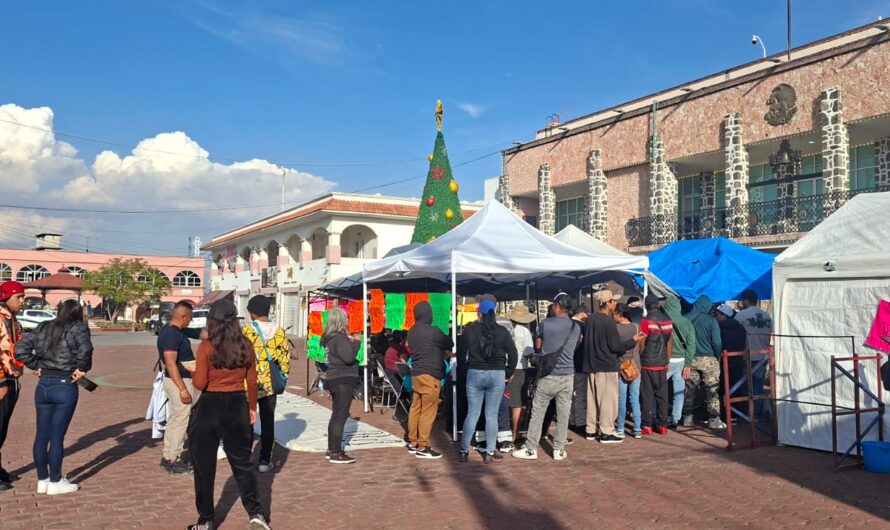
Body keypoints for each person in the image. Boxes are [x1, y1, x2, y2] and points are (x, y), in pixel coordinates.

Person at [187, 299, 270, 530]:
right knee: (242, 464)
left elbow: (200, 384)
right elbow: (251, 381)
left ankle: (206, 519)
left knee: (204, 467)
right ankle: (256, 513)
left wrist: (193, 371)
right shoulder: (245, 345)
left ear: (212, 320)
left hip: (209, 406)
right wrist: (251, 407)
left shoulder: (206, 347)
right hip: (237, 404)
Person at [14, 300, 93, 495]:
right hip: (65, 383)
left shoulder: (43, 326)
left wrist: (35, 364)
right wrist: (82, 368)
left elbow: (20, 349)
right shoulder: (78, 328)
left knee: (42, 435)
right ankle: (56, 480)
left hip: (44, 385)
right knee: (57, 437)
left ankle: (43, 479)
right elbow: (85, 349)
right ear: (77, 313)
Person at [512, 293, 580, 461]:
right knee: (563, 413)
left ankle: (531, 449)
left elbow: (538, 346)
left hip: (548, 375)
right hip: (568, 374)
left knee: (538, 411)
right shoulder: (576, 327)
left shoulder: (545, 323)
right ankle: (559, 449)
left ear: (557, 306)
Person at [458, 299, 517, 463]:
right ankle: (490, 452)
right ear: (494, 313)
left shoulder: (470, 330)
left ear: (479, 314)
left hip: (474, 372)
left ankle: (464, 450)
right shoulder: (502, 331)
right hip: (497, 374)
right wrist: (508, 372)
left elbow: (461, 354)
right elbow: (513, 354)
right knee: (491, 415)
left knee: (472, 413)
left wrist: (465, 370)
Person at [582, 291, 642, 443]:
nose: (615, 304)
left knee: (592, 400)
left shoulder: (590, 319)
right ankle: (606, 431)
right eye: (613, 301)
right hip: (606, 365)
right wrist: (633, 340)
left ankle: (590, 430)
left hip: (591, 364)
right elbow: (615, 346)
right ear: (608, 303)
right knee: (608, 401)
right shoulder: (608, 322)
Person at [242, 295, 291, 473]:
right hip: (270, 383)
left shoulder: (246, 331)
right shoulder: (279, 331)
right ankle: (264, 460)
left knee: (247, 421)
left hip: (249, 383)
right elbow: (285, 359)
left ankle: (245, 458)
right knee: (268, 421)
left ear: (252, 313)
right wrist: (283, 377)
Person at [156, 301, 204, 474]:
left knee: (176, 419)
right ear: (183, 316)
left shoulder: (177, 330)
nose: (191, 321)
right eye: (190, 317)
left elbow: (200, 333)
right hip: (179, 382)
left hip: (179, 380)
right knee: (180, 420)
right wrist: (183, 389)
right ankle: (172, 459)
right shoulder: (171, 335)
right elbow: (170, 364)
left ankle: (169, 455)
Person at [406, 301, 453, 459]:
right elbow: (450, 342)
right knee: (428, 410)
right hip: (430, 375)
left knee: (416, 407)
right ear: (428, 314)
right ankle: (423, 446)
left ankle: (413, 441)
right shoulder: (433, 331)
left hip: (416, 374)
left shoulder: (411, 331)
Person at [321, 308, 360, 464]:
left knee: (337, 414)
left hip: (335, 378)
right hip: (342, 379)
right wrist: (356, 342)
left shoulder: (329, 339)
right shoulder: (339, 339)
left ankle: (332, 448)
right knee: (340, 416)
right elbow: (349, 357)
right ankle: (336, 451)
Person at [683, 295, 726, 429]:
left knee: (689, 389)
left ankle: (687, 418)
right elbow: (717, 342)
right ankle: (714, 419)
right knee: (712, 389)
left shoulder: (685, 318)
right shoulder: (711, 320)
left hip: (690, 359)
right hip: (709, 359)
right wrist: (717, 355)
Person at [0, 281, 25, 491]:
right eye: (19, 297)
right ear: (5, 297)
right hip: (2, 380)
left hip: (11, 378)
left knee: (2, 429)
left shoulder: (12, 318)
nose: (22, 301)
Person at [735, 289, 774, 420]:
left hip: (746, 355)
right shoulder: (767, 316)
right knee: (758, 386)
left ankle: (746, 413)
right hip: (762, 356)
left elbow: (734, 334)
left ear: (746, 300)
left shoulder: (741, 316)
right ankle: (756, 413)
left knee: (744, 386)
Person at [638, 297, 673, 435]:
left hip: (647, 363)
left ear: (646, 306)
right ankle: (663, 425)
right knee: (662, 396)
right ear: (658, 305)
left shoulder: (645, 321)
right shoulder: (667, 320)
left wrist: (640, 355)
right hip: (662, 364)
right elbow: (669, 342)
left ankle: (647, 425)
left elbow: (642, 341)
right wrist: (666, 360)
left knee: (646, 395)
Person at [662, 295, 695, 429]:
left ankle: (658, 416)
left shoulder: (663, 321)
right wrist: (688, 364)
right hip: (681, 361)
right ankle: (675, 419)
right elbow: (691, 345)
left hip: (665, 361)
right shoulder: (687, 322)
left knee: (657, 390)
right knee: (679, 392)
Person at [505, 304, 536, 445]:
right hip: (519, 368)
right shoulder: (524, 331)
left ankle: (504, 430)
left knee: (504, 400)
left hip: (503, 367)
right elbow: (529, 352)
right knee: (517, 403)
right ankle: (515, 433)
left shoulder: (504, 329)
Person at [613, 304, 642, 438]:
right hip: (635, 366)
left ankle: (620, 427)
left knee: (621, 399)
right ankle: (637, 429)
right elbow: (641, 345)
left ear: (619, 315)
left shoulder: (616, 329)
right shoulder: (636, 326)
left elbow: (614, 348)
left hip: (622, 368)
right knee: (635, 399)